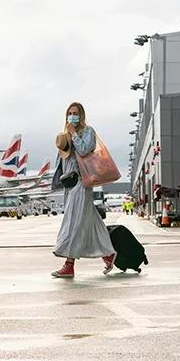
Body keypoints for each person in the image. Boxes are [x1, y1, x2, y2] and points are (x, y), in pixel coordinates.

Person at [50, 102, 115, 278]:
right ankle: (108, 253)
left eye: (75, 113)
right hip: (69, 184)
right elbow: (63, 161)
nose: (72, 116)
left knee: (73, 222)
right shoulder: (65, 135)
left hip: (81, 182)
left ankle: (69, 264)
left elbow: (86, 150)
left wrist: (74, 134)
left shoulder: (88, 131)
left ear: (81, 115)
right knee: (90, 220)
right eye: (69, 113)